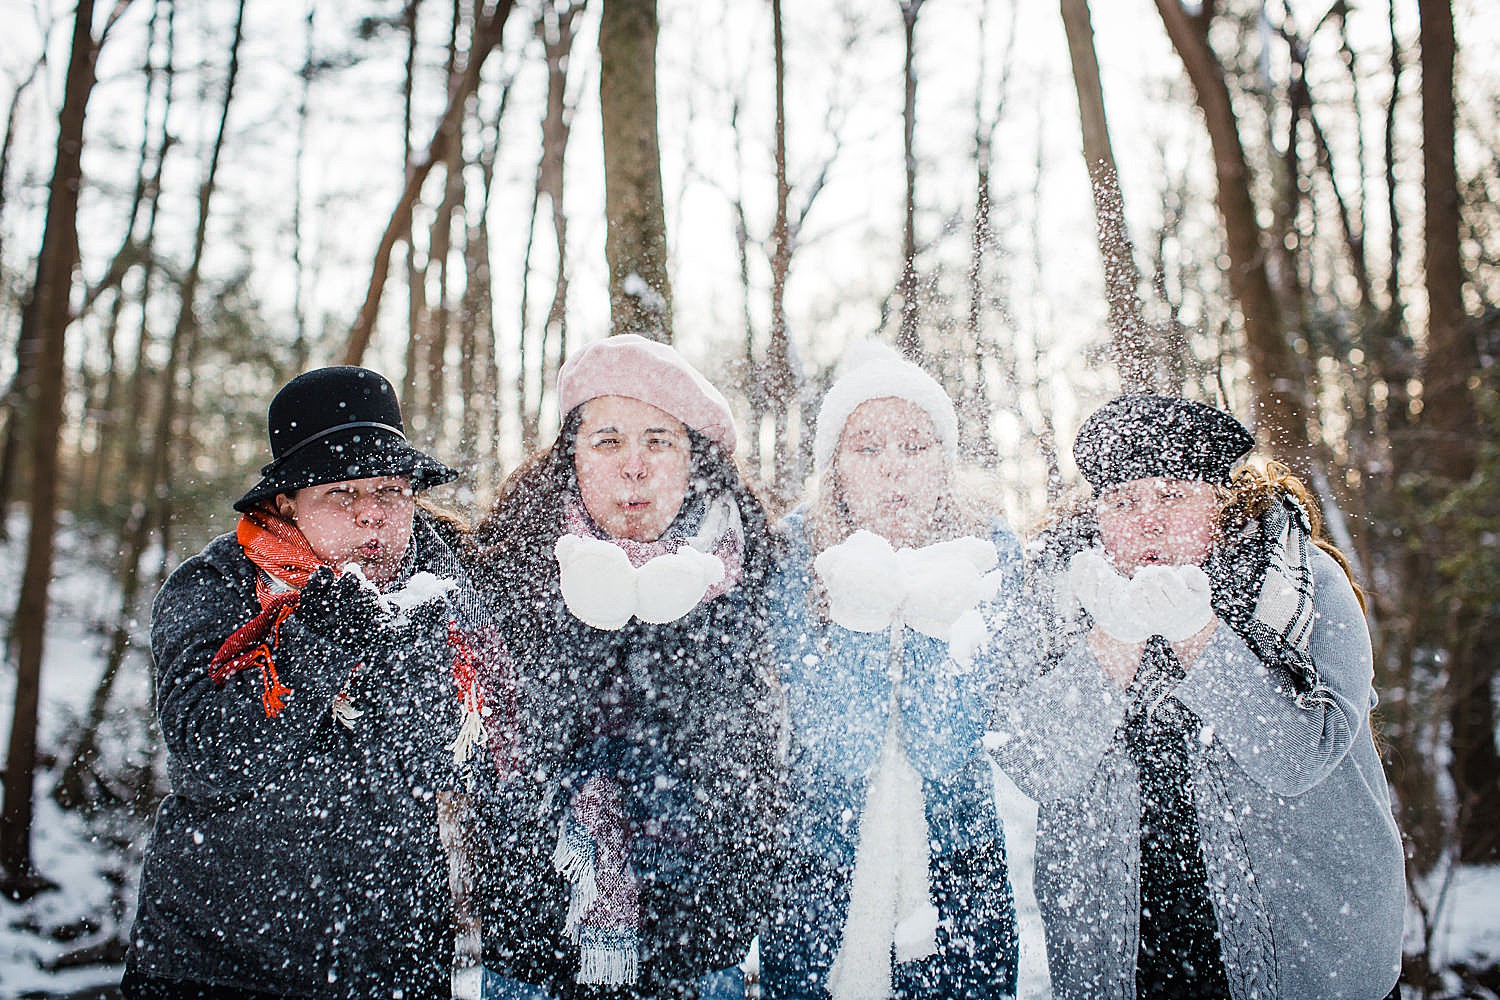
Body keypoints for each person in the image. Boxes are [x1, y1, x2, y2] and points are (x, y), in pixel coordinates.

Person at [988, 393, 1405, 1000]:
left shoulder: (1297, 582)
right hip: (1126, 962)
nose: (1147, 520)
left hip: (1309, 959)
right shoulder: (1061, 595)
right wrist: (1114, 639)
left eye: (1173, 494)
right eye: (1122, 501)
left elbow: (1300, 756)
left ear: (1220, 501)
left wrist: (1198, 635)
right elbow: (1037, 763)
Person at [123, 366, 495, 1000]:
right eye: (342, 494)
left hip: (397, 966)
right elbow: (209, 756)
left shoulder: (448, 586)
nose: (372, 517)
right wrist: (318, 639)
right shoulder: (215, 589)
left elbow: (461, 758)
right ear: (288, 502)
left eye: (389, 490)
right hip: (221, 963)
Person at [466, 334, 782, 1000]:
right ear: (571, 458)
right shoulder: (506, 565)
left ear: (694, 460)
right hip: (535, 943)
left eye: (659, 442)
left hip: (698, 947)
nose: (633, 466)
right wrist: (585, 616)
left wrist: (671, 615)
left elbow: (749, 765)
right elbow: (502, 763)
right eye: (607, 441)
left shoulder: (754, 567)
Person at [760, 345, 1022, 1000]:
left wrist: (934, 633)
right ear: (835, 468)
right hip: (817, 867)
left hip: (961, 865)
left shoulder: (989, 550)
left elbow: (948, 748)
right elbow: (839, 749)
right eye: (867, 449)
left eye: (915, 445)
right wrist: (859, 624)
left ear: (945, 461)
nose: (893, 471)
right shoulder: (792, 552)